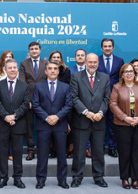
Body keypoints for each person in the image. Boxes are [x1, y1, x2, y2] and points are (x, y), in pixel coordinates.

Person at [70, 53, 111, 188]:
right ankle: (77, 176)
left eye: (95, 62)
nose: (92, 64)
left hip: (99, 120)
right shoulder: (76, 77)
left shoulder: (104, 78)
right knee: (79, 151)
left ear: (98, 63)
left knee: (98, 151)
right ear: (86, 62)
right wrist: (87, 113)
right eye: (90, 62)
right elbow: (74, 97)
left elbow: (107, 98)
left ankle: (99, 177)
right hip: (82, 120)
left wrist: (100, 113)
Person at [109, 63, 138, 189]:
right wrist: (125, 118)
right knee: (124, 152)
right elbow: (113, 104)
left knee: (137, 153)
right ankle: (125, 178)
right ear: (122, 74)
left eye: (131, 71)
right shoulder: (117, 87)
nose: (128, 74)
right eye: (126, 72)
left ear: (135, 73)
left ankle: (135, 178)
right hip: (122, 125)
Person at [32, 61, 73, 189]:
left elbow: (68, 105)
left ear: (59, 71)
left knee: (61, 154)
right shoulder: (39, 87)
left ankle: (62, 180)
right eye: (50, 69)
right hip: (43, 125)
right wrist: (46, 117)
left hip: (60, 125)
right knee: (42, 154)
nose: (53, 71)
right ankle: (41, 179)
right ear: (46, 71)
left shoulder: (65, 87)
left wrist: (57, 116)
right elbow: (35, 104)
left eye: (55, 68)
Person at [0, 58, 29, 189]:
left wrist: (14, 116)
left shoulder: (24, 86)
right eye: (10, 68)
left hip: (18, 124)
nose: (13, 70)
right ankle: (3, 178)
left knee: (18, 152)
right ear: (5, 70)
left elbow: (25, 104)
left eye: (15, 67)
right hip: (2, 124)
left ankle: (17, 178)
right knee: (2, 153)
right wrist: (6, 116)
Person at [19, 41, 48, 160]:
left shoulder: (46, 63)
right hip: (29, 100)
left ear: (40, 50)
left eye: (36, 49)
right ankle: (31, 150)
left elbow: (49, 80)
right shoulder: (23, 64)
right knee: (29, 126)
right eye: (32, 49)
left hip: (44, 100)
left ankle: (43, 150)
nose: (34, 51)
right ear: (29, 51)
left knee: (44, 125)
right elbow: (22, 82)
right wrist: (27, 100)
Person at [97, 38, 124, 157]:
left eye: (109, 46)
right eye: (105, 46)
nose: (107, 48)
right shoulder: (96, 60)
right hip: (99, 96)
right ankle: (100, 147)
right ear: (102, 48)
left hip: (115, 97)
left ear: (113, 47)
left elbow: (122, 79)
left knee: (113, 123)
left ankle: (113, 148)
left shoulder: (119, 61)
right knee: (100, 123)